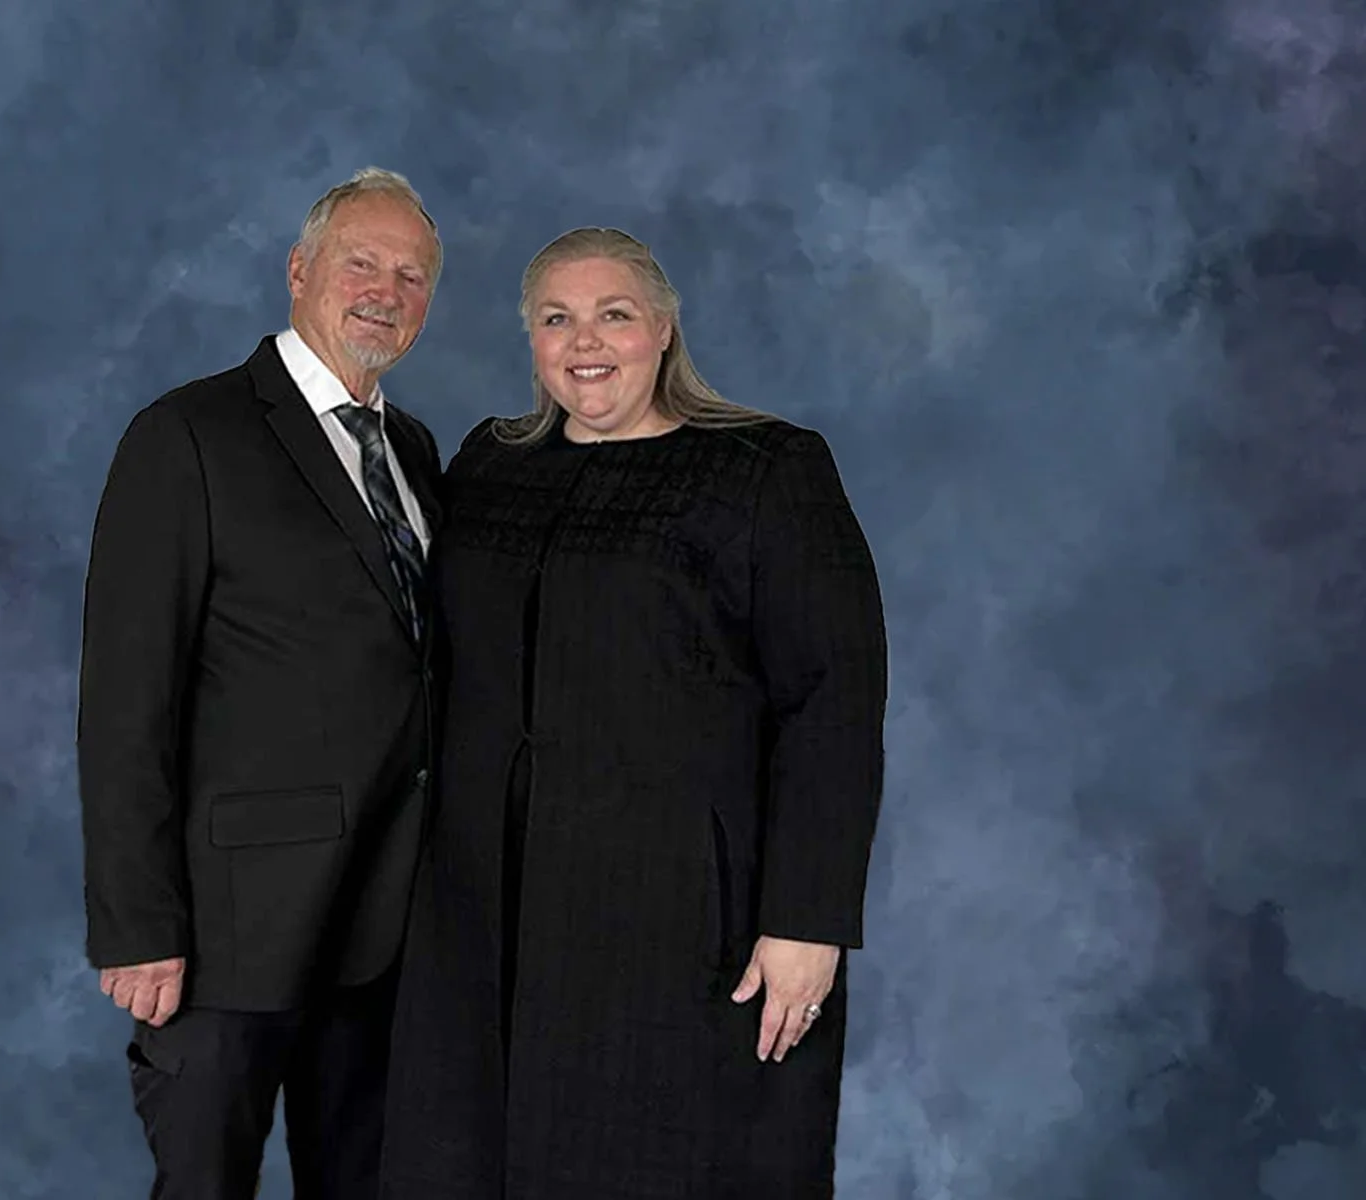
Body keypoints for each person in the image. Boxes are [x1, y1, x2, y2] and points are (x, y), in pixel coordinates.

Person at [378, 227, 888, 1199]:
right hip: (481, 911)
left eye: (613, 315)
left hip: (680, 914)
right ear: (531, 339)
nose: (585, 342)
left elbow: (834, 702)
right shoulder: (490, 464)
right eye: (555, 318)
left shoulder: (765, 470)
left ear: (662, 329)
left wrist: (808, 922)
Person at [76, 167, 444, 1200]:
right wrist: (138, 926)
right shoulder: (188, 436)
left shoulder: (414, 453)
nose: (385, 292)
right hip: (226, 935)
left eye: (411, 276)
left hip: (383, 931)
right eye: (361, 263)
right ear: (298, 270)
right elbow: (125, 702)